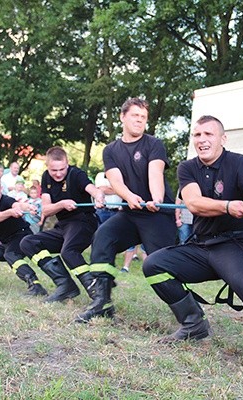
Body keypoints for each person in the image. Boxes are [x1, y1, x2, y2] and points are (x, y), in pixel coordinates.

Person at [142, 115, 243, 342]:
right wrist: (227, 206)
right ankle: (193, 324)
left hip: (232, 245)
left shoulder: (239, 162)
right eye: (197, 135)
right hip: (201, 246)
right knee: (154, 265)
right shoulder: (187, 167)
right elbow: (194, 203)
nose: (202, 140)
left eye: (209, 134)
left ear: (223, 138)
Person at [75, 97, 177, 323]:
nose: (140, 120)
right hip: (130, 213)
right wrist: (130, 197)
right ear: (123, 117)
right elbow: (116, 180)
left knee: (165, 264)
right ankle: (102, 302)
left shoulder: (154, 144)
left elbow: (155, 175)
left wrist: (156, 199)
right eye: (135, 116)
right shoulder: (111, 150)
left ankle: (191, 315)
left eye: (143, 117)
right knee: (103, 237)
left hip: (157, 214)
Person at [20, 146, 104, 303]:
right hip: (63, 225)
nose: (58, 174)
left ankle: (99, 295)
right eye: (54, 170)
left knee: (69, 252)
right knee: (29, 243)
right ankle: (65, 285)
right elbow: (46, 209)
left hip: (83, 222)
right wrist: (62, 204)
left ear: (67, 164)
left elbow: (93, 190)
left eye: (62, 169)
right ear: (47, 166)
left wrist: (99, 197)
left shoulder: (76, 174)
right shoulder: (46, 177)